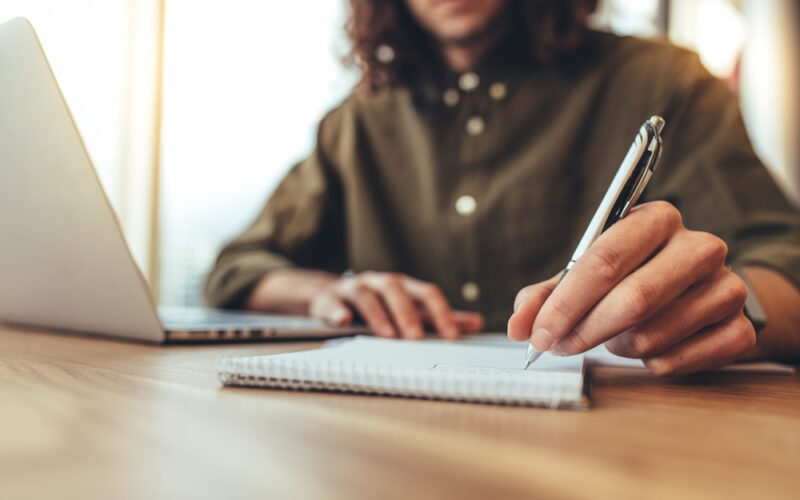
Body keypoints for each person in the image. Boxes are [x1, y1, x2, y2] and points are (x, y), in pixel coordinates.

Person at [205, 0, 800, 375]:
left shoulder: (665, 83)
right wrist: (326, 292)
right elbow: (237, 267)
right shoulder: (356, 124)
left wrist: (735, 306)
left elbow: (789, 268)